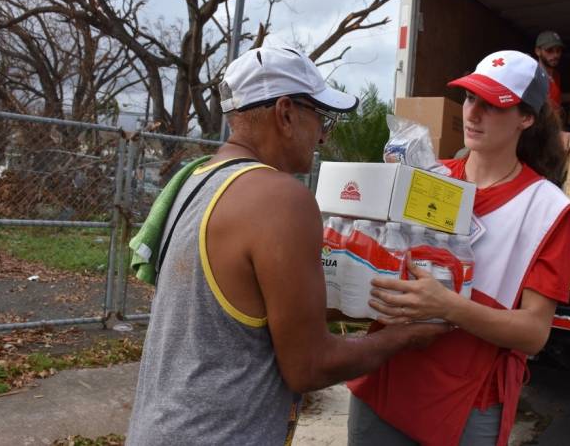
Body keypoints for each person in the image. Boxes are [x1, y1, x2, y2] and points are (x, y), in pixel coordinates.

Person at [126, 47, 447, 446]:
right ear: (286, 114)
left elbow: (239, 315)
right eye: (320, 117)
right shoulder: (280, 198)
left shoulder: (196, 181)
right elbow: (309, 367)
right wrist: (409, 335)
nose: (324, 134)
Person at [346, 50, 570, 446]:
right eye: (471, 98)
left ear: (527, 118)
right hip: (385, 381)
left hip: (466, 405)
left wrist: (447, 306)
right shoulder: (425, 177)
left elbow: (534, 333)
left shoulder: (548, 210)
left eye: (492, 105)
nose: (472, 114)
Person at [535, 30, 565, 112]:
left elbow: (555, 97)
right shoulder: (533, 76)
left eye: (558, 50)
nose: (555, 55)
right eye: (549, 50)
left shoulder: (556, 75)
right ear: (538, 51)